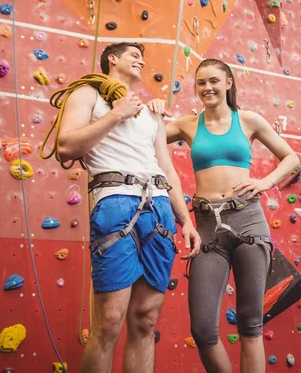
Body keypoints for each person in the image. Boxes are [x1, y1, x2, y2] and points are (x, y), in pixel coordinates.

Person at [55, 42, 201, 373]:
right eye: (134, 56)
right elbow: (65, 147)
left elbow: (166, 169)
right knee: (108, 321)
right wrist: (117, 112)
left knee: (145, 320)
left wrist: (186, 221)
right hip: (115, 201)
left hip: (160, 208)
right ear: (112, 59)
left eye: (142, 59)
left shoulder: (151, 113)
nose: (141, 61)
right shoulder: (87, 94)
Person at [148, 58, 300, 373]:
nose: (208, 88)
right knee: (203, 331)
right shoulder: (188, 124)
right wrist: (152, 111)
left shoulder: (249, 120)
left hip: (248, 220)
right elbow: (147, 134)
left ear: (228, 82)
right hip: (206, 227)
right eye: (201, 83)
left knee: (250, 324)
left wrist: (264, 182)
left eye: (214, 81)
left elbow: (291, 158)